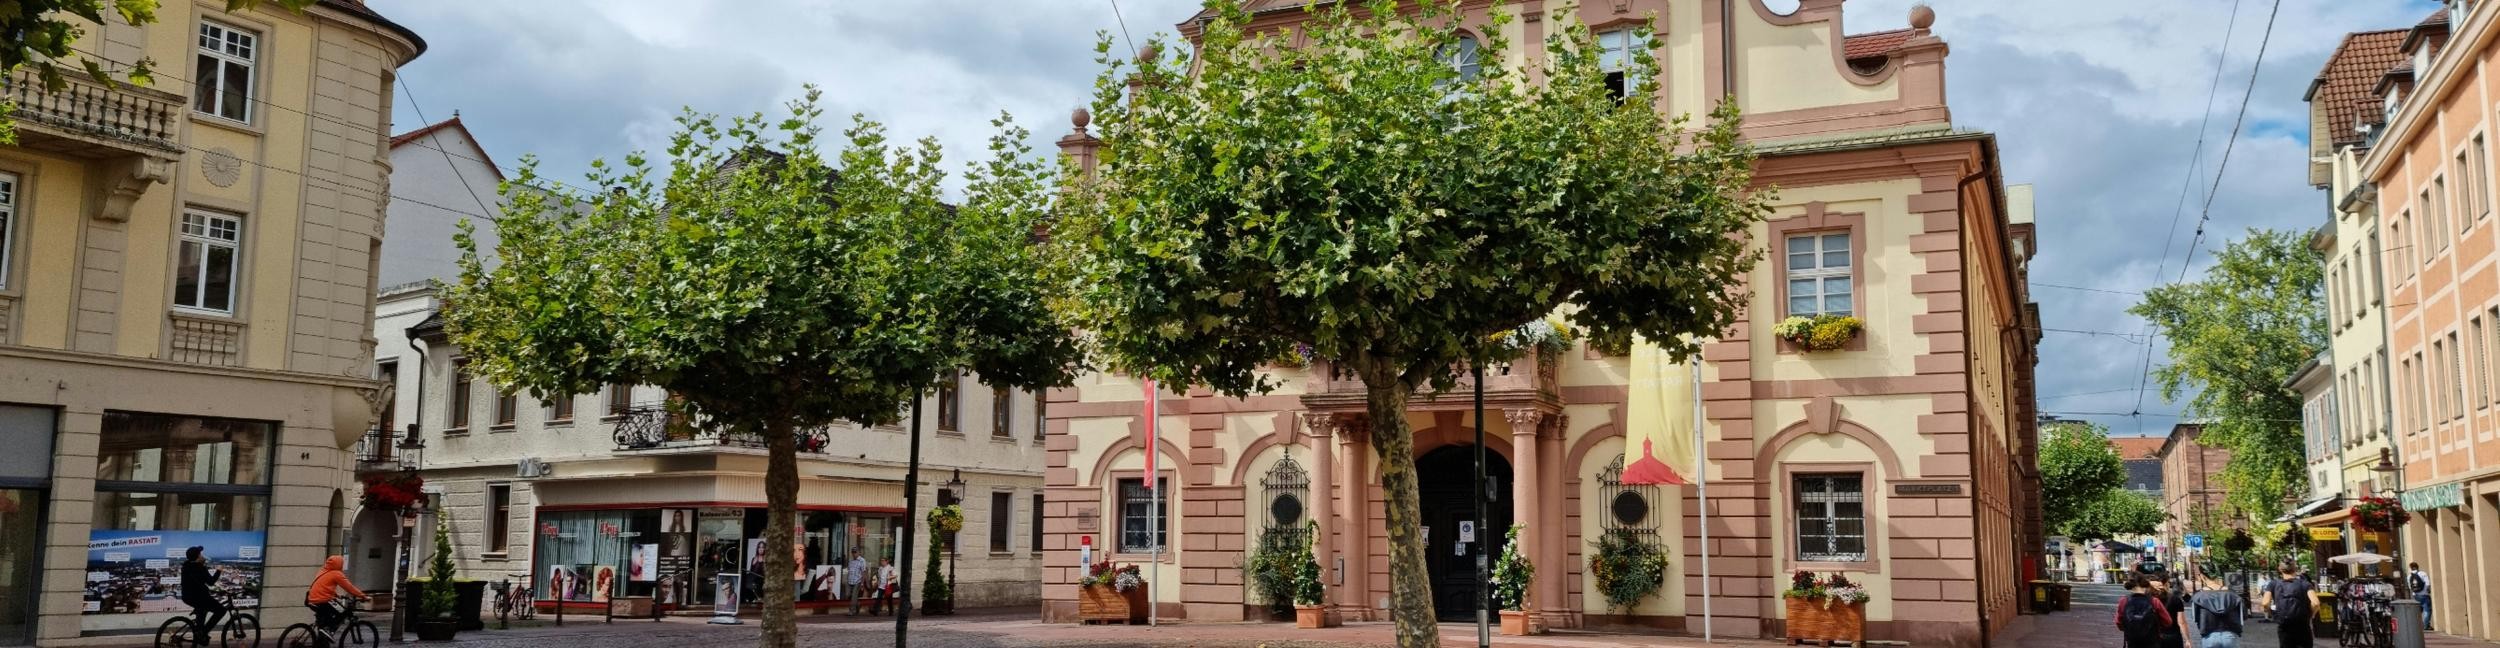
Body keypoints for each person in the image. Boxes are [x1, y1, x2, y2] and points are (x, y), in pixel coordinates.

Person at [306, 555, 371, 635]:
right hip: (323, 600)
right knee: (342, 612)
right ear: (339, 564)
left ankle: (323, 637)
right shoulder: (336, 574)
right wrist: (363, 596)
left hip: (311, 600)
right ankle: (330, 630)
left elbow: (323, 587)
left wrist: (336, 595)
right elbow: (349, 587)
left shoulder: (322, 571)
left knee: (324, 620)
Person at [2259, 563, 2319, 648]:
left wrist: (2272, 613)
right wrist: (2312, 614)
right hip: (2302, 624)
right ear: (2295, 569)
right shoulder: (2305, 584)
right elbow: (2316, 603)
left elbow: (2265, 603)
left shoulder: (2273, 584)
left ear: (2280, 569)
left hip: (2284, 625)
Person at [179, 547, 226, 644]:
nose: (202, 556)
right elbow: (211, 582)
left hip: (187, 597)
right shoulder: (200, 568)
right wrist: (218, 570)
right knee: (221, 610)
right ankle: (203, 633)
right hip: (199, 597)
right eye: (200, 554)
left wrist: (202, 563)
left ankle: (199, 632)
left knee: (202, 610)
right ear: (198, 557)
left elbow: (196, 581)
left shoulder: (186, 566)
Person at [2188, 571, 2247, 648]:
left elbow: (2194, 617)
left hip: (2209, 636)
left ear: (2202, 576)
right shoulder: (2233, 595)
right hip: (2230, 635)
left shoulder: (2198, 597)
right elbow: (2243, 616)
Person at [2117, 577, 2176, 648]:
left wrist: (2131, 628)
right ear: (2146, 586)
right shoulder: (2154, 601)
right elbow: (2168, 622)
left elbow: (2119, 622)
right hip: (2152, 640)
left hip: (2132, 641)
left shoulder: (2124, 601)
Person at [2151, 576, 2188, 648]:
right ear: (2165, 584)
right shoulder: (2175, 599)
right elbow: (2181, 622)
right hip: (2173, 636)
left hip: (2154, 637)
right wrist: (2187, 639)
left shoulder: (2148, 599)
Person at [2407, 562, 2432, 631]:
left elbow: (2410, 587)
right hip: (2424, 595)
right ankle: (2425, 626)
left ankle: (2417, 625)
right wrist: (2428, 591)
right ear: (2417, 566)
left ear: (2411, 568)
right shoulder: (2423, 573)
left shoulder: (2409, 576)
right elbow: (2428, 584)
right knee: (2427, 610)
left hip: (2415, 596)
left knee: (2418, 611)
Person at [845, 549, 868, 615]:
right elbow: (849, 570)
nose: (854, 554)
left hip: (857, 581)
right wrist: (847, 579)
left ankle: (852, 610)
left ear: (858, 552)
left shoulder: (862, 560)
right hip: (850, 580)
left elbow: (863, 572)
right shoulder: (851, 561)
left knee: (854, 596)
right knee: (847, 595)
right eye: (853, 552)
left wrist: (862, 583)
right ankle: (857, 604)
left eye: (855, 552)